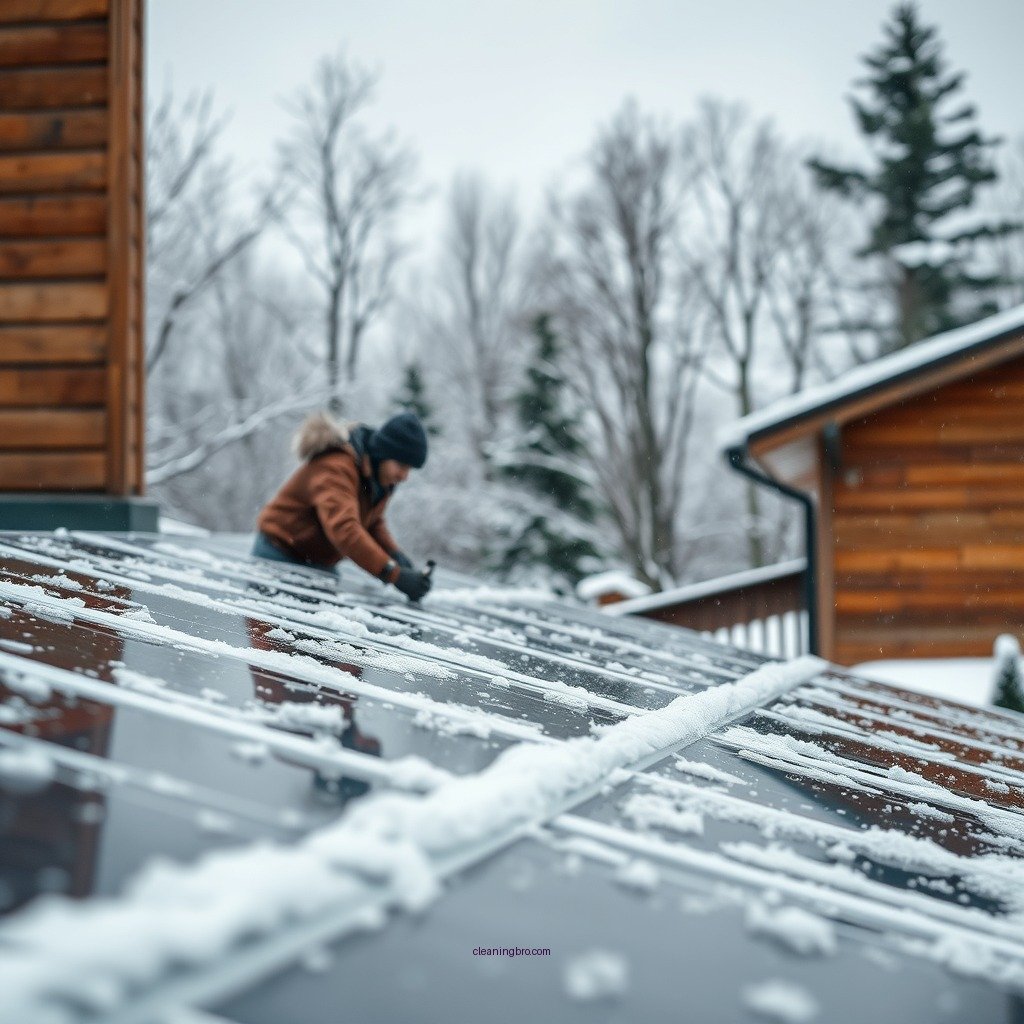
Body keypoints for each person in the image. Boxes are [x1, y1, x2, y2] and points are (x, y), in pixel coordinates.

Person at [253, 411, 432, 601]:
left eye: (410, 469)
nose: (404, 476)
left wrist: (395, 555)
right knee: (271, 630)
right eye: (402, 465)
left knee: (315, 629)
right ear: (383, 453)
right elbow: (344, 529)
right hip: (280, 555)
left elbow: (371, 523)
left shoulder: (379, 479)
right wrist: (394, 574)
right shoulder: (337, 467)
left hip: (318, 562)